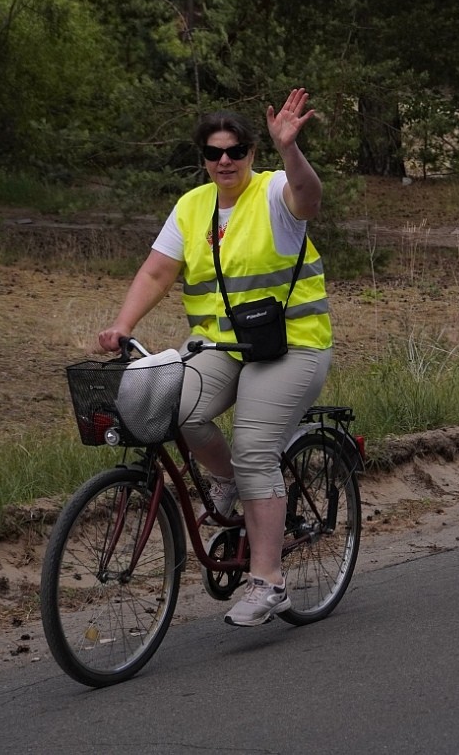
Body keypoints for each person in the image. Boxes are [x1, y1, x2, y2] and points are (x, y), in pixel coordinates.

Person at [98, 88, 333, 625]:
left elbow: (310, 197)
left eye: (234, 150)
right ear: (202, 158)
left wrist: (290, 149)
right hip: (224, 346)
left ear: (252, 152)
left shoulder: (275, 190)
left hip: (292, 346)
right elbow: (158, 270)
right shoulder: (191, 206)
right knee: (168, 404)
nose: (223, 160)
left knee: (254, 445)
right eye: (212, 152)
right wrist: (123, 324)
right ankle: (229, 481)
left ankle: (269, 582)